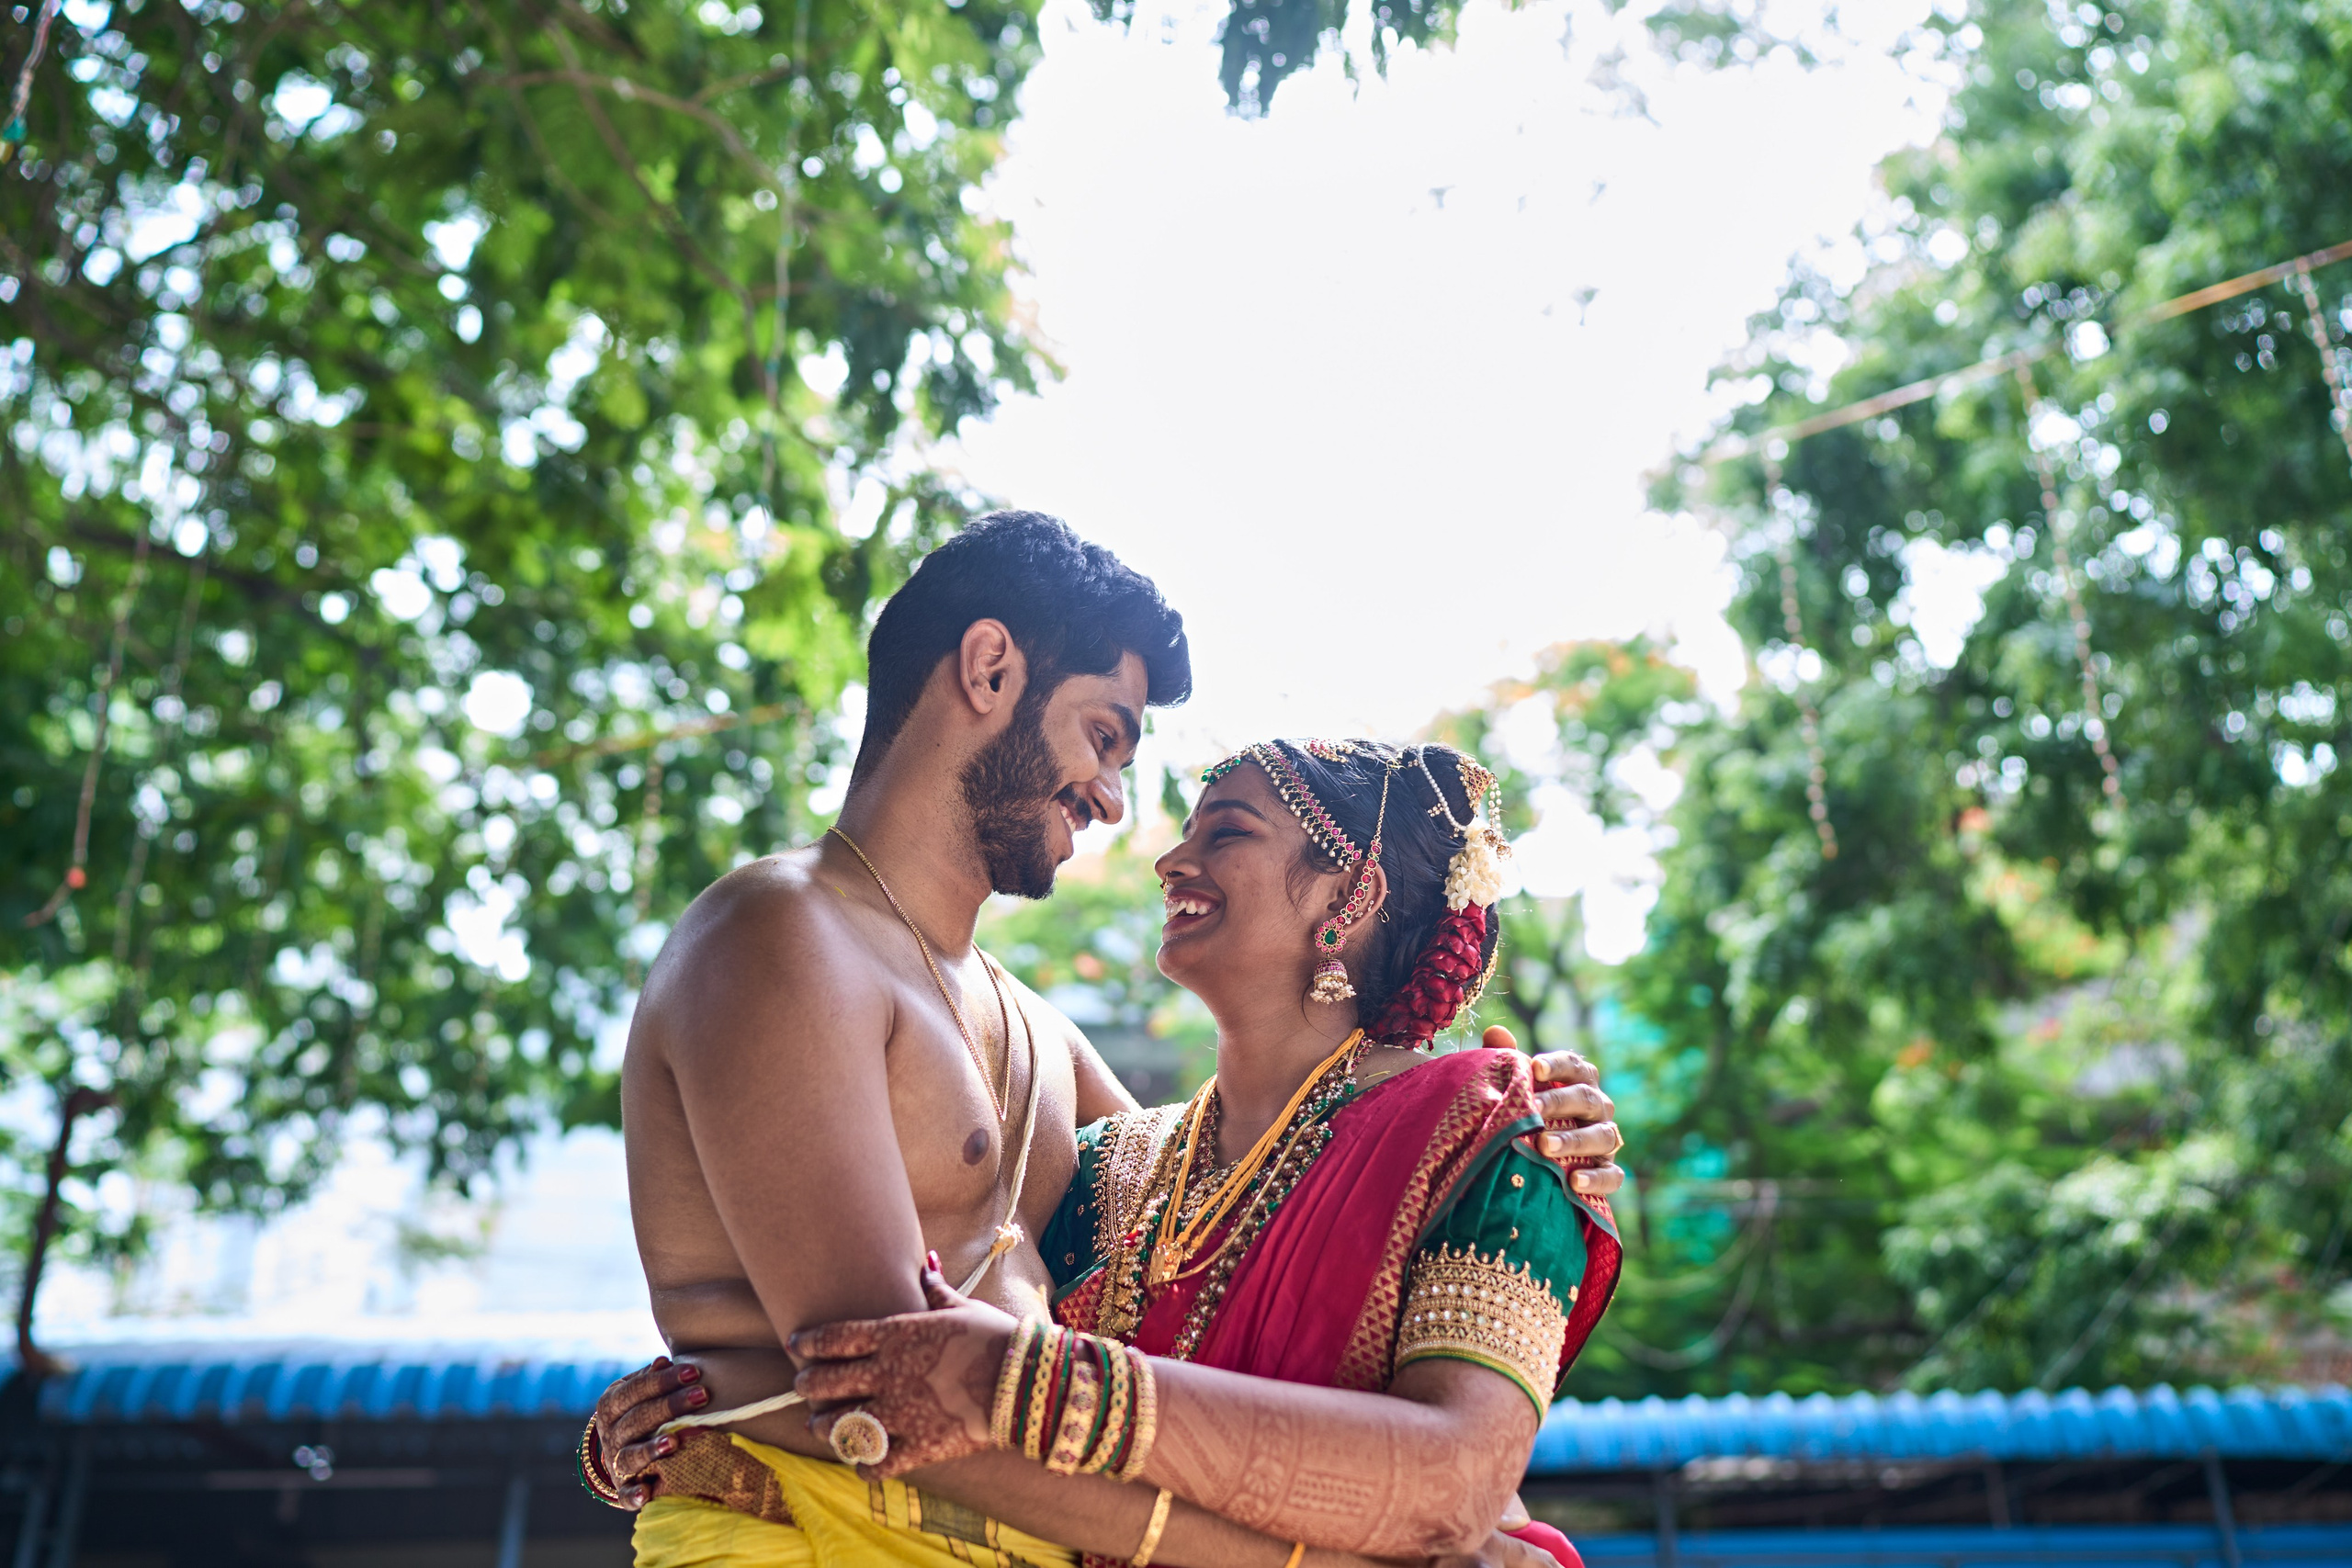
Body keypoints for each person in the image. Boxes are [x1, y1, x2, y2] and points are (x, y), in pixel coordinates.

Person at [584, 513, 1627, 1566]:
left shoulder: (1042, 1038)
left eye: (1219, 829)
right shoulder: (783, 937)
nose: (1119, 805)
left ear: (1348, 901)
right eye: (1105, 733)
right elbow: (887, 1392)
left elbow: (1236, 1271)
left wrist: (1504, 1130)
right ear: (989, 671)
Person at [773, 739, 1619, 1568]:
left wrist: (1029, 1383)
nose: (1172, 860)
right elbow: (911, 1358)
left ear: (1354, 892)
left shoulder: (1489, 1134)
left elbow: (1456, 1484)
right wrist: (714, 1404)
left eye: (1228, 831)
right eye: (1189, 831)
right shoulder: (1112, 1166)